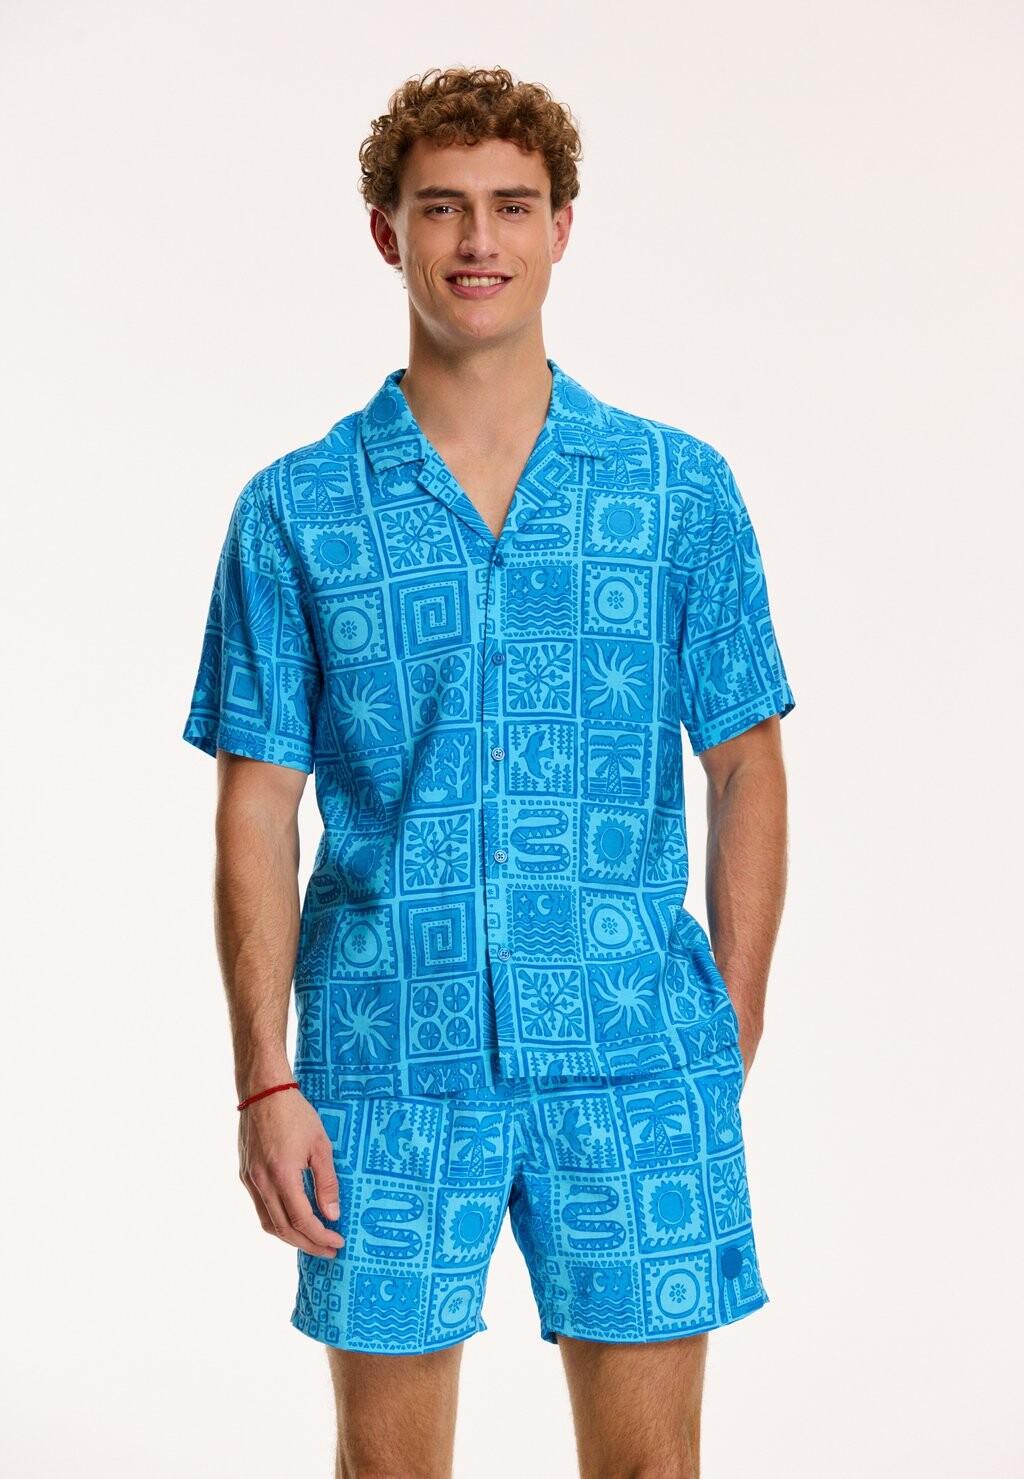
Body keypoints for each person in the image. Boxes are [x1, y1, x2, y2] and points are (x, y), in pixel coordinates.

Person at [182, 64, 796, 1479]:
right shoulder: (296, 511)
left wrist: (730, 1023)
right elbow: (256, 807)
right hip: (387, 1059)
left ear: (562, 228)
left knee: (652, 1471)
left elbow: (748, 762)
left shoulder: (676, 490)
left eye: (513, 206)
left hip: (637, 1057)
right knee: (387, 1472)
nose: (479, 240)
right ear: (386, 232)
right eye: (442, 206)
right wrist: (265, 1079)